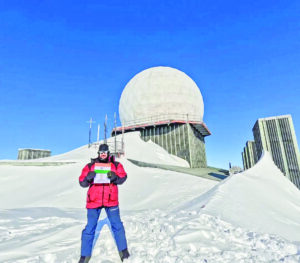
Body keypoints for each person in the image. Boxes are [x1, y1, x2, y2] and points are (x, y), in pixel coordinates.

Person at [78, 143, 130, 263]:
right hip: (93, 201)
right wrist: (88, 178)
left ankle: (123, 251)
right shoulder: (90, 166)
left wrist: (115, 177)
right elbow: (82, 182)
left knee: (117, 225)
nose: (103, 154)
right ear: (98, 153)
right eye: (101, 152)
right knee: (90, 228)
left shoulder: (116, 165)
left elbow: (123, 177)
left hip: (111, 200)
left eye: (105, 152)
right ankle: (84, 255)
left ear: (108, 153)